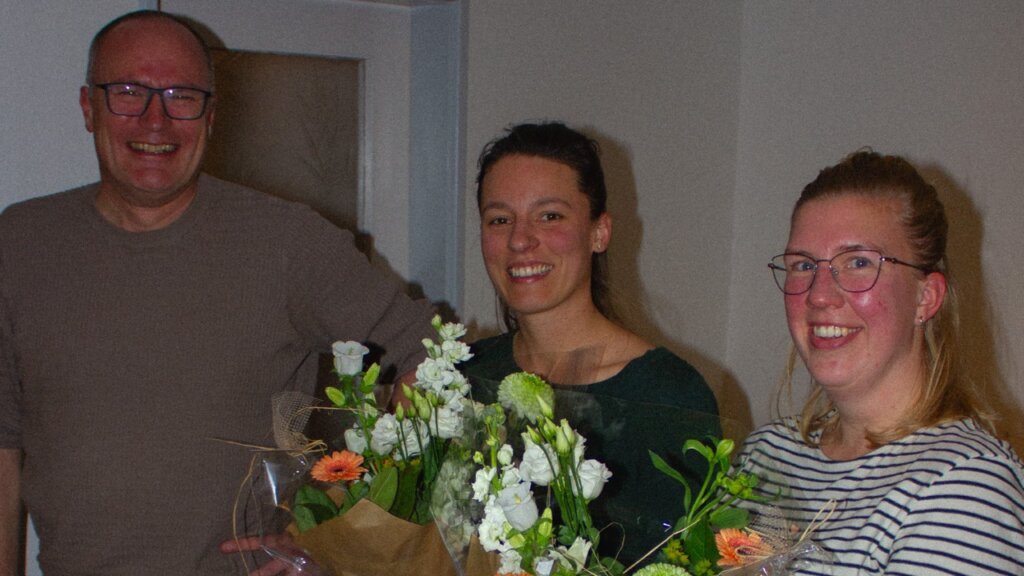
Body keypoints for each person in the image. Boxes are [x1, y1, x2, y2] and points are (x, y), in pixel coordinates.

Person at [0, 10, 435, 576]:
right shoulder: (20, 243)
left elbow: (431, 362)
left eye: (181, 95)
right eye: (128, 92)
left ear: (210, 115)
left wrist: (343, 531)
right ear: (89, 107)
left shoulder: (286, 242)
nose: (155, 120)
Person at [737, 150, 1024, 574]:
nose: (818, 294)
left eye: (857, 262)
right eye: (802, 265)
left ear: (926, 298)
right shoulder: (766, 456)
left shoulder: (965, 485)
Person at [461, 121, 721, 565]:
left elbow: (682, 563)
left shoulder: (669, 395)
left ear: (599, 232)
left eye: (550, 216)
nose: (520, 240)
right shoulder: (466, 376)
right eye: (500, 219)